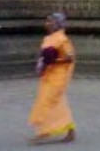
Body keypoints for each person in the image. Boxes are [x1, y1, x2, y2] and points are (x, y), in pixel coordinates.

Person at [28, 12, 76, 145]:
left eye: (51, 21)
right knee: (56, 102)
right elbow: (44, 56)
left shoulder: (62, 39)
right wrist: (43, 64)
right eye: (46, 21)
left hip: (58, 75)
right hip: (48, 74)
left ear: (58, 24)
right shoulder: (48, 39)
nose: (47, 24)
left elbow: (69, 57)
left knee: (48, 102)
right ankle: (70, 130)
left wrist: (55, 60)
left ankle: (44, 132)